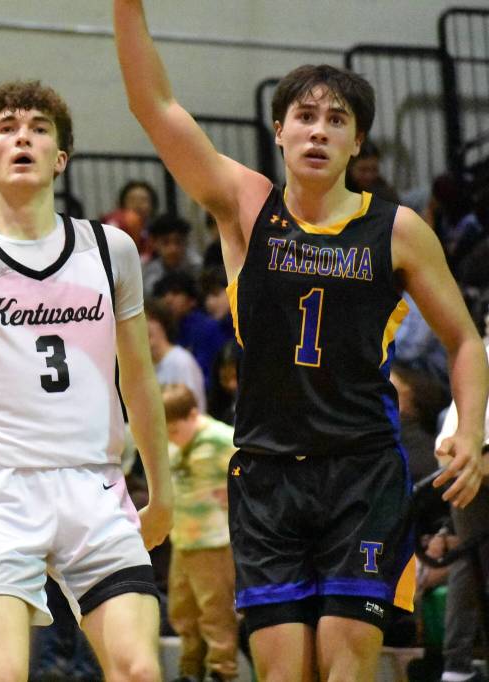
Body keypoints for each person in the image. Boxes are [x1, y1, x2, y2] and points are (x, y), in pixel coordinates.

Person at [113, 3, 489, 680]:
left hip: (363, 471)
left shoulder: (398, 230)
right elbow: (153, 104)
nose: (319, 131)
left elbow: (464, 339)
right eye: (306, 117)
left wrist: (470, 428)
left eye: (337, 120)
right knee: (284, 670)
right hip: (265, 474)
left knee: (345, 667)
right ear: (279, 130)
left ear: (357, 143)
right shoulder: (247, 204)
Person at [0, 79, 173, 682]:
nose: (23, 135)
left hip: (93, 486)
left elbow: (141, 381)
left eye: (39, 127)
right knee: (0, 673)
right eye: (7, 127)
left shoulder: (111, 250)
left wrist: (161, 486)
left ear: (61, 158)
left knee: (140, 669)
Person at [162, 383, 239, 682]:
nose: (171, 438)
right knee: (182, 613)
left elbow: (253, 469)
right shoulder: (172, 442)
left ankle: (222, 671)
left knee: (215, 614)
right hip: (183, 540)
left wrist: (235, 490)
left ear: (193, 415)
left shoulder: (220, 438)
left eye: (175, 431)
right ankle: (189, 669)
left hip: (213, 542)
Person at [435, 333, 489, 682]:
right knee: (472, 562)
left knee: (469, 564)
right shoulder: (480, 350)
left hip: (454, 455)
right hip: (475, 456)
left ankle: (455, 667)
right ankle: (455, 665)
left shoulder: (479, 346)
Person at [146, 298, 206, 413]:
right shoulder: (142, 367)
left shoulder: (181, 361)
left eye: (149, 319)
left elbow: (194, 410)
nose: (144, 326)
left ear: (163, 323)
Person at [141, 213, 202, 298]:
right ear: (154, 243)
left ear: (185, 242)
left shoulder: (195, 265)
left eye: (178, 242)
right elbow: (149, 296)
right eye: (165, 243)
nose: (173, 249)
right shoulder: (147, 267)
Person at [100, 179, 160, 262]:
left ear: (152, 205)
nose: (138, 204)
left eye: (143, 200)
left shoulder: (159, 231)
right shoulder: (112, 227)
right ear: (122, 204)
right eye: (132, 200)